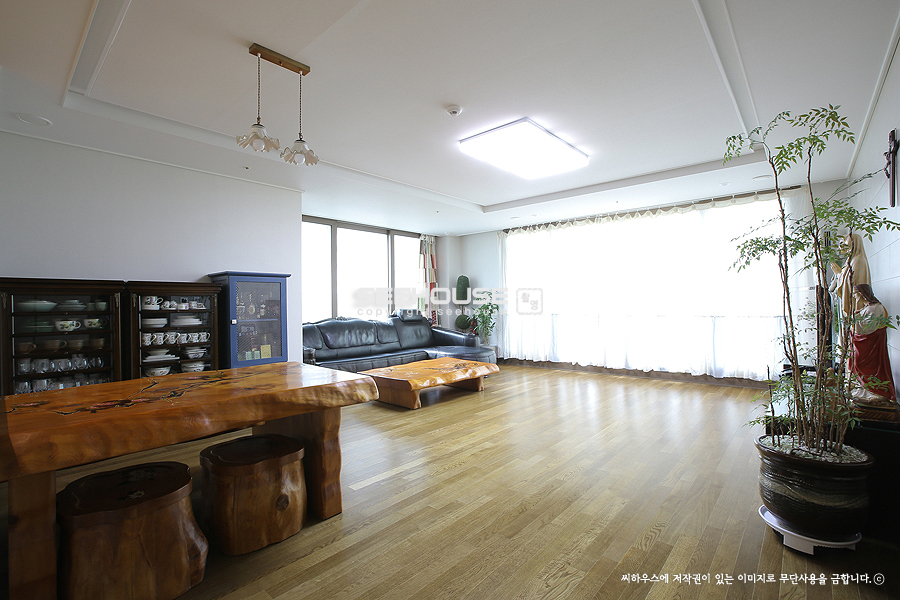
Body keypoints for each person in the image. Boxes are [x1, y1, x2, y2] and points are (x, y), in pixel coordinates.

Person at [849, 284, 896, 407]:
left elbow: (867, 329)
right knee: (858, 364)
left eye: (855, 293)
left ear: (862, 293)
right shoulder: (869, 307)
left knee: (865, 366)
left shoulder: (875, 308)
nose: (854, 296)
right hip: (867, 344)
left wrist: (855, 319)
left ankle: (876, 393)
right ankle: (864, 391)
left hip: (870, 346)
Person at [829, 232, 871, 317]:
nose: (840, 247)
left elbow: (852, 282)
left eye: (843, 243)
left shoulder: (858, 260)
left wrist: (838, 273)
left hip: (854, 300)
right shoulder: (851, 260)